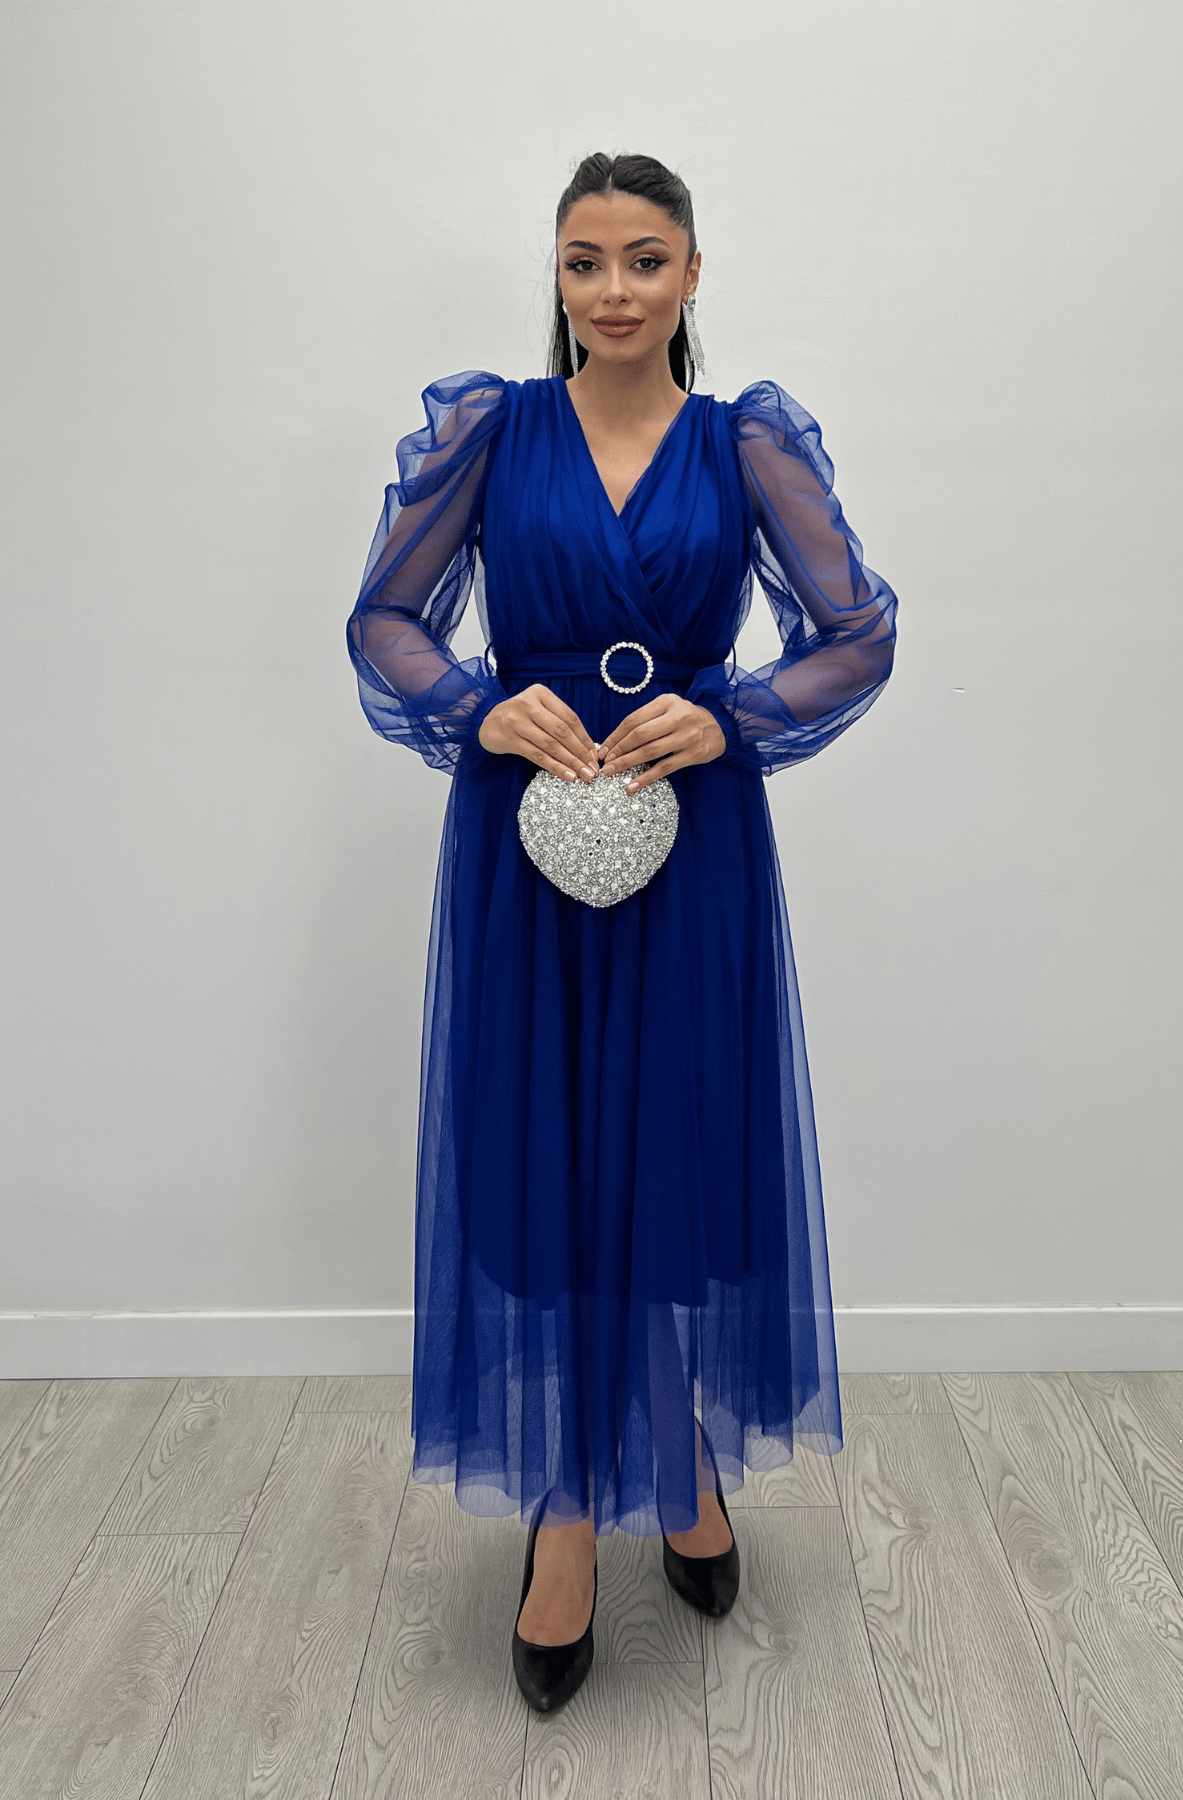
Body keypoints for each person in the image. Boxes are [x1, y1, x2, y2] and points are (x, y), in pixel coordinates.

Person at [346, 150, 898, 1714]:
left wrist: (730, 717)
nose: (612, 290)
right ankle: (574, 1513)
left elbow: (856, 633)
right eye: (584, 260)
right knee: (544, 1163)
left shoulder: (746, 442)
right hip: (523, 845)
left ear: (692, 274)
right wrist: (477, 703)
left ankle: (676, 1456)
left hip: (691, 840)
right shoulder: (492, 430)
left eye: (645, 260)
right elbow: (381, 619)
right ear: (557, 274)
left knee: (673, 1147)